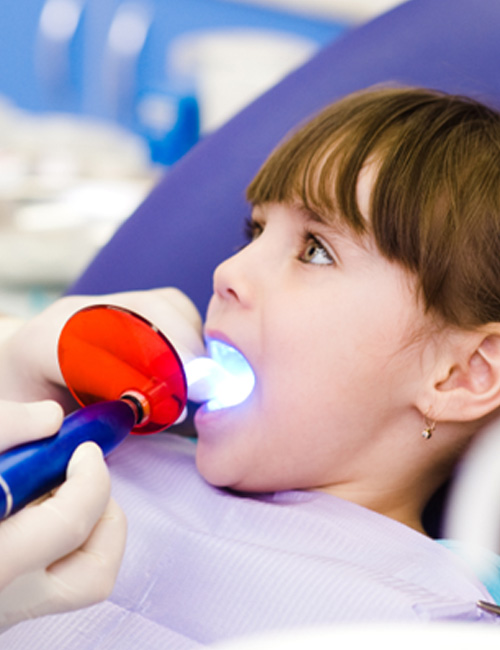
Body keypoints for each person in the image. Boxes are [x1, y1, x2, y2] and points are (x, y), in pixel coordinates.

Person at [1, 87, 500, 647]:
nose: (228, 271)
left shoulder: (434, 623)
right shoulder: (94, 453)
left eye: (316, 249)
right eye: (256, 231)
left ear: (460, 376)